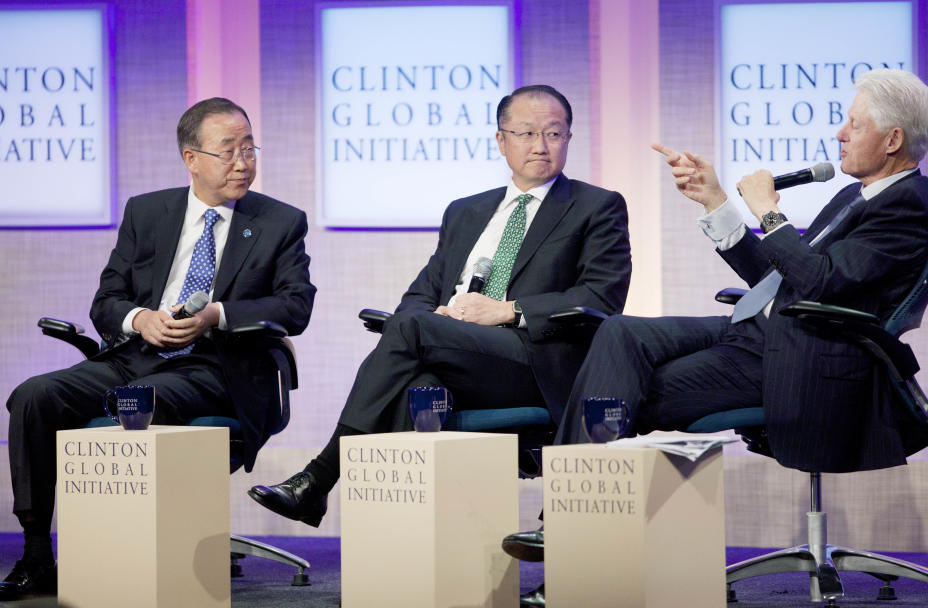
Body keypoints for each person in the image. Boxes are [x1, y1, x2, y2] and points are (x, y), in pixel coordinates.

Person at [503, 68, 928, 606]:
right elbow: (778, 276)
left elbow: (820, 282)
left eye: (853, 123)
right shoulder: (857, 196)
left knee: (621, 391)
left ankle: (571, 546)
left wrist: (769, 210)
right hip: (760, 333)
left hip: (801, 360)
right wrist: (715, 201)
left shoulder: (905, 209)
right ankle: (566, 526)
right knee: (617, 335)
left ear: (893, 139)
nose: (840, 134)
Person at [248, 85, 632, 533]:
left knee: (412, 335)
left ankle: (319, 478)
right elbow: (421, 293)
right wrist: (442, 320)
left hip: (533, 362)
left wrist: (507, 310)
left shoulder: (596, 207)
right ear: (501, 140)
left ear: (569, 139)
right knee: (419, 380)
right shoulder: (466, 212)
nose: (541, 146)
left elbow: (600, 296)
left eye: (554, 133)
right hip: (455, 355)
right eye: (527, 133)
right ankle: (427, 555)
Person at [1, 97, 316, 599]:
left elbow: (295, 308)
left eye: (250, 148)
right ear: (192, 158)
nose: (244, 162)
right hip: (136, 355)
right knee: (34, 396)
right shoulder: (147, 212)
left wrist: (217, 315)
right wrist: (139, 318)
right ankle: (37, 551)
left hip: (218, 368)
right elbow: (106, 300)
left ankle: (131, 553)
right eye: (229, 151)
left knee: (142, 400)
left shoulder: (280, 222)